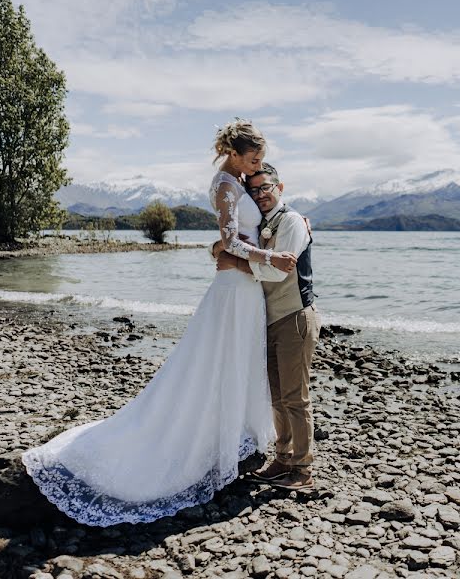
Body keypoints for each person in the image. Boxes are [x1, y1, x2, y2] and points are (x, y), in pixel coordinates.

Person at [21, 119, 298, 526]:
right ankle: (203, 447)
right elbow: (232, 239)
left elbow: (237, 239)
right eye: (252, 157)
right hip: (233, 289)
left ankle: (234, 441)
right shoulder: (224, 185)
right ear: (234, 153)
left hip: (247, 289)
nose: (257, 164)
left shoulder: (239, 182)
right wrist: (269, 258)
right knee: (212, 365)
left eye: (261, 159)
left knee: (238, 363)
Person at [212, 164, 320, 490]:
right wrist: (222, 250)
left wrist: (238, 263)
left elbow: (278, 273)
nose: (260, 194)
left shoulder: (292, 222)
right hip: (271, 320)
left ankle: (302, 470)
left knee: (295, 398)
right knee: (277, 396)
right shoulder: (263, 224)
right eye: (254, 190)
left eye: (265, 187)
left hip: (295, 317)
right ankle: (283, 459)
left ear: (280, 187)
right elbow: (230, 244)